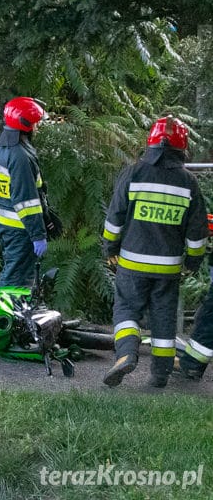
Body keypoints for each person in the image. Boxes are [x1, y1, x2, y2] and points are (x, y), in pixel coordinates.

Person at [101, 116, 208, 388]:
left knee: (126, 308)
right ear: (182, 148)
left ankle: (126, 354)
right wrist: (193, 262)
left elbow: (114, 218)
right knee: (164, 319)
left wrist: (110, 248)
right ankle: (160, 374)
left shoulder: (133, 173)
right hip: (168, 268)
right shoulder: (188, 182)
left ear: (150, 143)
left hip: (132, 263)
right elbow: (197, 232)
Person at [0, 96, 49, 287]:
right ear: (24, 124)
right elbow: (26, 201)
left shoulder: (4, 147)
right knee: (15, 281)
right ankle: (0, 315)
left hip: (9, 226)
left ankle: (13, 314)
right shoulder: (20, 156)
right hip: (21, 229)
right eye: (35, 123)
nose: (37, 127)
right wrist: (37, 235)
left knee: (16, 277)